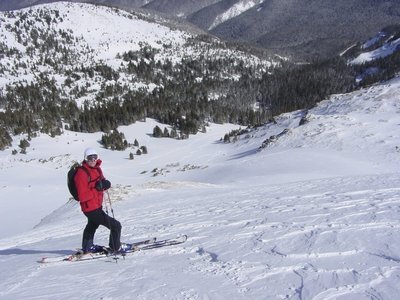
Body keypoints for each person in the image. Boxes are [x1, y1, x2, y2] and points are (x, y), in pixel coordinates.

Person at [74, 147, 122, 253]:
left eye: (94, 157)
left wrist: (106, 183)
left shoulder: (97, 169)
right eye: (90, 158)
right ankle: (114, 248)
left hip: (96, 205)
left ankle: (87, 247)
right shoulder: (81, 173)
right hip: (90, 208)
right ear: (85, 159)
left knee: (92, 225)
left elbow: (101, 181)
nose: (92, 160)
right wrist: (97, 188)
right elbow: (82, 196)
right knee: (116, 226)